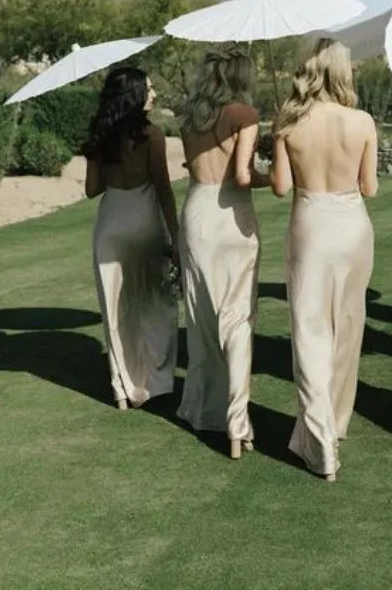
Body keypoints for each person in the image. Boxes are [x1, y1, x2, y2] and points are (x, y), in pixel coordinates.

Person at [270, 38, 377, 482]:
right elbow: (370, 188)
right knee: (348, 328)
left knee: (310, 332)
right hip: (352, 226)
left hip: (311, 226)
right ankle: (334, 422)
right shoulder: (362, 121)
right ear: (343, 73)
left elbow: (280, 187)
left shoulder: (288, 122)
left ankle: (319, 443)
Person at [177, 48, 268, 459]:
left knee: (200, 318)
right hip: (233, 217)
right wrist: (280, 173)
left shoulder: (188, 114)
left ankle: (203, 410)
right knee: (238, 320)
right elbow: (243, 176)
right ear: (241, 77)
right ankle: (237, 425)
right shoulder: (244, 115)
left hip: (197, 214)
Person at [85, 67, 178, 410]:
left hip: (111, 226)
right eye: (149, 88)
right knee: (155, 302)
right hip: (146, 222)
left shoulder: (100, 134)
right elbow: (164, 190)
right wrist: (177, 238)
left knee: (115, 309)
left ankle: (121, 388)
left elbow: (92, 189)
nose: (154, 93)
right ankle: (156, 382)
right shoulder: (152, 134)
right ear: (135, 94)